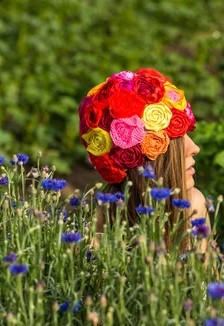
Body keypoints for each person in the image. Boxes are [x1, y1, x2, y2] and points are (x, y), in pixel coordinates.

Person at [78, 68, 210, 254]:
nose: (195, 148)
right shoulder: (96, 229)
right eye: (178, 142)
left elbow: (206, 281)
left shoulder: (193, 205)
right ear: (147, 159)